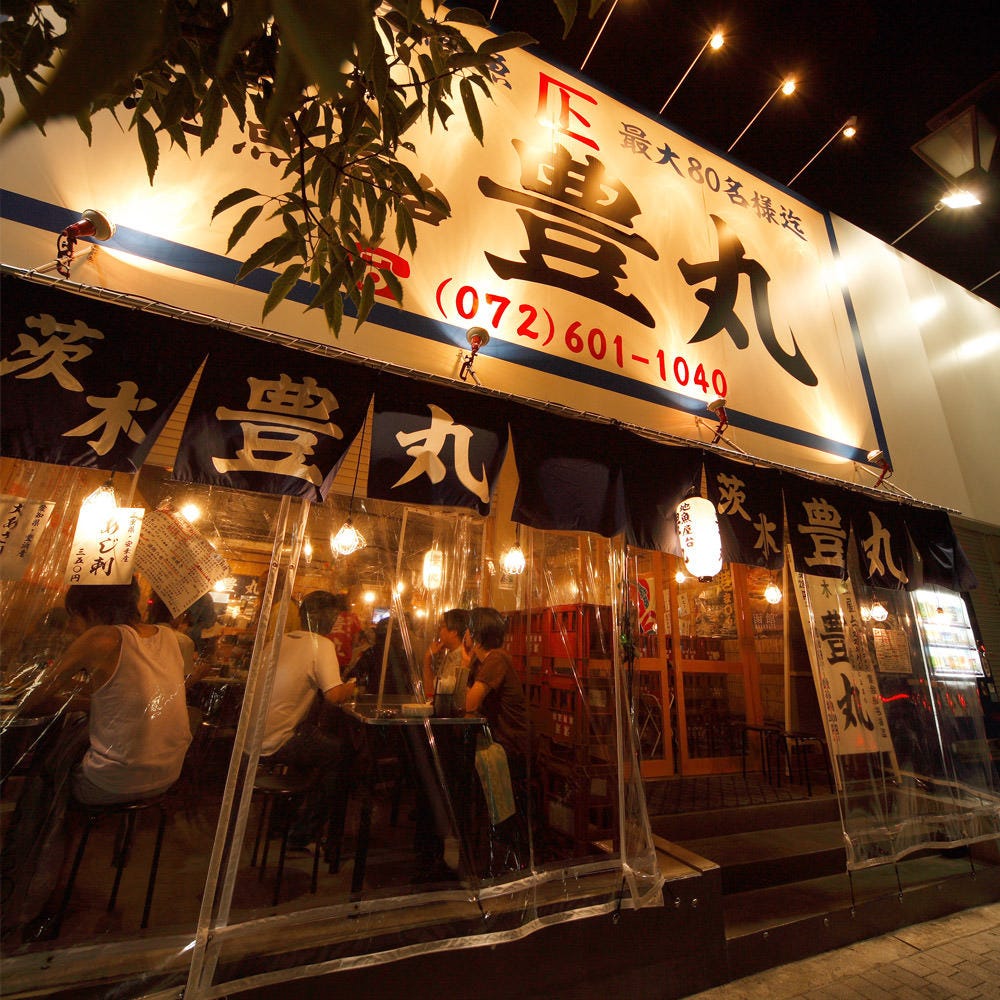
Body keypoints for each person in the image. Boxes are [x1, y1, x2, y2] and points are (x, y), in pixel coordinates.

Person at [3, 579, 194, 939]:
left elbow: (32, 699)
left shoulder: (101, 638)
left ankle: (25, 894)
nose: (72, 626)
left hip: (113, 781)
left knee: (44, 780)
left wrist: (47, 693)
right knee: (70, 745)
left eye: (74, 617)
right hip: (167, 774)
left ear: (90, 611)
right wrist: (82, 699)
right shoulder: (171, 637)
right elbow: (127, 698)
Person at [260, 590, 356, 849]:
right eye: (333, 616)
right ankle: (304, 833)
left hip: (252, 738)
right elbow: (334, 696)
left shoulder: (277, 641)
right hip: (279, 741)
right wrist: (352, 687)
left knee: (311, 745)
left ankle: (280, 823)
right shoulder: (320, 645)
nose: (334, 622)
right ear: (322, 617)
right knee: (342, 755)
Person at [465, 607, 528, 777]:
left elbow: (469, 704)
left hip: (510, 743)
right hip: (493, 736)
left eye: (468, 628)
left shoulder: (497, 658)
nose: (466, 633)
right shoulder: (479, 660)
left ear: (477, 633)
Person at [422, 608, 471, 707]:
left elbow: (433, 694)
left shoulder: (462, 657)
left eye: (442, 626)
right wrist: (428, 659)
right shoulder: (450, 654)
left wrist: (427, 659)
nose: (439, 631)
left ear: (454, 632)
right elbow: (431, 694)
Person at [327, 592, 362, 668]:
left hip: (326, 658)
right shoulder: (353, 617)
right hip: (344, 660)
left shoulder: (328, 617)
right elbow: (355, 640)